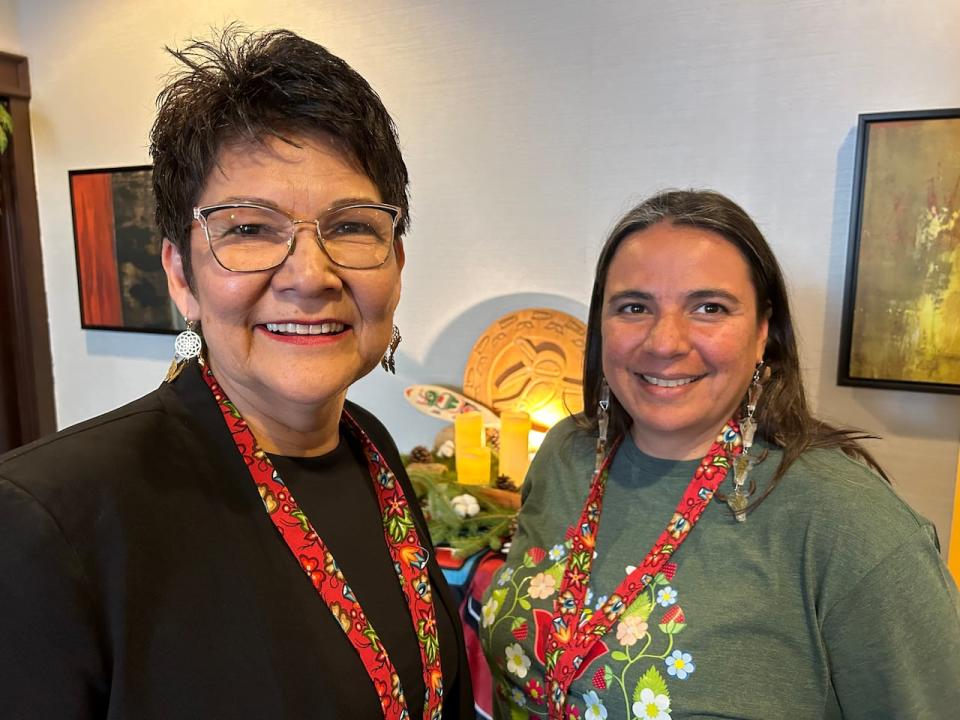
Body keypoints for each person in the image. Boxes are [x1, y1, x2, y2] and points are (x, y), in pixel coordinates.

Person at [0, 28, 472, 719]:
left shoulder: (369, 448)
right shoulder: (50, 517)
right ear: (179, 276)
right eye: (249, 229)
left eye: (351, 227)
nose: (311, 276)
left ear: (396, 265)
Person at [480, 190, 960, 719]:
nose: (665, 342)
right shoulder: (564, 455)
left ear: (762, 334)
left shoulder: (848, 522)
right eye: (634, 307)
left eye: (709, 308)